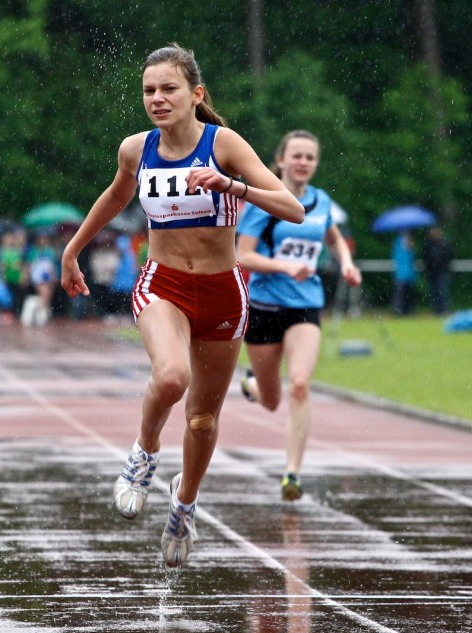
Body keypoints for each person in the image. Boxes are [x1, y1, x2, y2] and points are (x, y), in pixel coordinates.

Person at [60, 43, 304, 568]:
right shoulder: (136, 149)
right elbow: (115, 197)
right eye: (149, 90)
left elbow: (293, 208)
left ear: (196, 94)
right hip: (163, 284)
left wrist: (231, 184)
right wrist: (73, 250)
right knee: (171, 377)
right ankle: (143, 453)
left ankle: (184, 503)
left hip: (222, 292)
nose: (157, 98)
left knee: (201, 420)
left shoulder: (223, 144)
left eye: (168, 88)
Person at [235, 129, 361, 501]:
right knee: (271, 400)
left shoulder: (320, 200)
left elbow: (333, 238)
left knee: (301, 384)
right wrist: (285, 267)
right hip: (264, 307)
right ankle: (253, 385)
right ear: (281, 160)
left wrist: (347, 263)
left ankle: (292, 474)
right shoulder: (264, 200)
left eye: (310, 157)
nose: (303, 162)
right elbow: (244, 256)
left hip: (305, 306)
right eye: (297, 156)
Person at [423, 226, 453, 315]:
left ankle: (444, 309)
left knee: (442, 290)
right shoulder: (428, 244)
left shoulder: (444, 243)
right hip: (432, 272)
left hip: (442, 271)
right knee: (434, 291)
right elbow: (425, 256)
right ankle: (436, 310)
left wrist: (444, 265)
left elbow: (450, 255)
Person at [391, 231, 417, 316]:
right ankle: (399, 311)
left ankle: (406, 311)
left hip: (408, 274)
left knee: (407, 294)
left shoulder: (405, 244)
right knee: (400, 294)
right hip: (401, 274)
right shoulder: (398, 243)